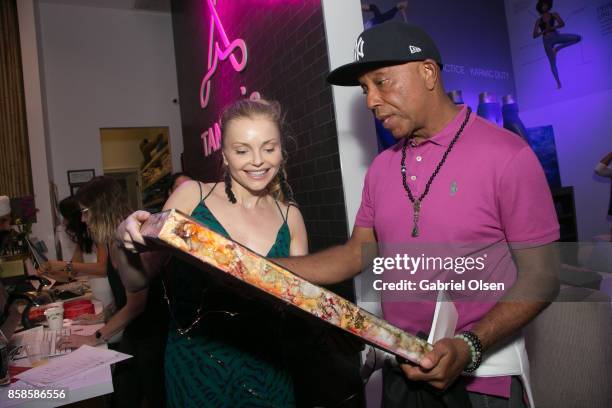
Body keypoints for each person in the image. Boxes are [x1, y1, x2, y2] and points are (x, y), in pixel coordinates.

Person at [117, 99, 308, 407]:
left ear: (281, 152)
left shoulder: (291, 218)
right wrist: (124, 242)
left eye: (269, 148)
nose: (257, 161)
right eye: (242, 150)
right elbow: (139, 280)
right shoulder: (193, 197)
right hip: (196, 370)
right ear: (225, 155)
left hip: (268, 369)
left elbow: (300, 305)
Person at [56, 176, 167, 408]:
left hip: (153, 336)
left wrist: (93, 337)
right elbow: (123, 294)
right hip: (136, 333)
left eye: (86, 212)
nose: (84, 219)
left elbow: (137, 304)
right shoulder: (111, 240)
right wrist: (102, 316)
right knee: (123, 394)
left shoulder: (127, 241)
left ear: (101, 209)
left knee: (154, 397)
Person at [41, 196, 109, 283]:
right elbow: (71, 274)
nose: (64, 222)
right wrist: (47, 273)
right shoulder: (84, 235)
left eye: (66, 217)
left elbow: (103, 269)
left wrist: (65, 265)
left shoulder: (99, 232)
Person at [532, 0, 581, 89]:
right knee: (552, 63)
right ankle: (558, 82)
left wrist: (552, 27)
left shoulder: (553, 14)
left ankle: (558, 48)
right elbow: (534, 35)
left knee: (577, 38)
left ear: (548, 5)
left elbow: (562, 24)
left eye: (545, 4)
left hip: (555, 36)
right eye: (542, 5)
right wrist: (543, 31)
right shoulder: (539, 20)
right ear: (540, 8)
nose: (544, 6)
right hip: (546, 41)